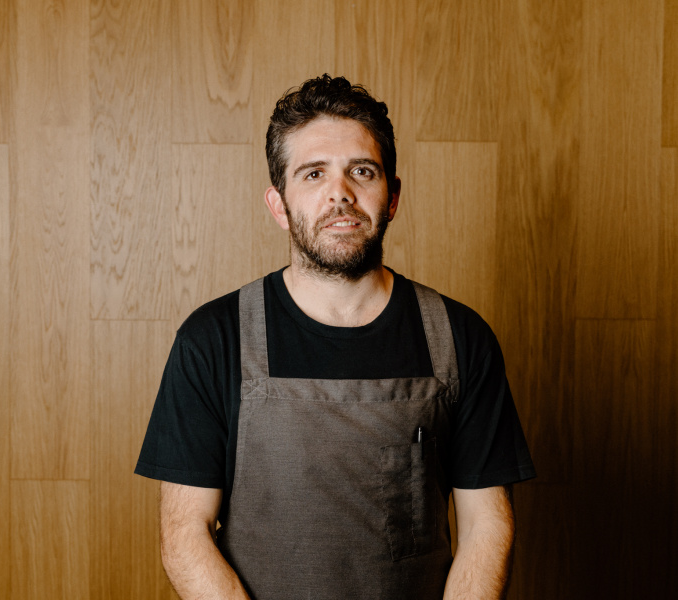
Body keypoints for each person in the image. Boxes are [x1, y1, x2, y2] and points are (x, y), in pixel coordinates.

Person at [135, 74, 535, 599]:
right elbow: (184, 534)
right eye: (313, 173)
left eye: (362, 171)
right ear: (279, 205)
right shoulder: (212, 340)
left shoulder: (460, 338)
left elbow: (487, 525)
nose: (340, 193)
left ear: (392, 197)